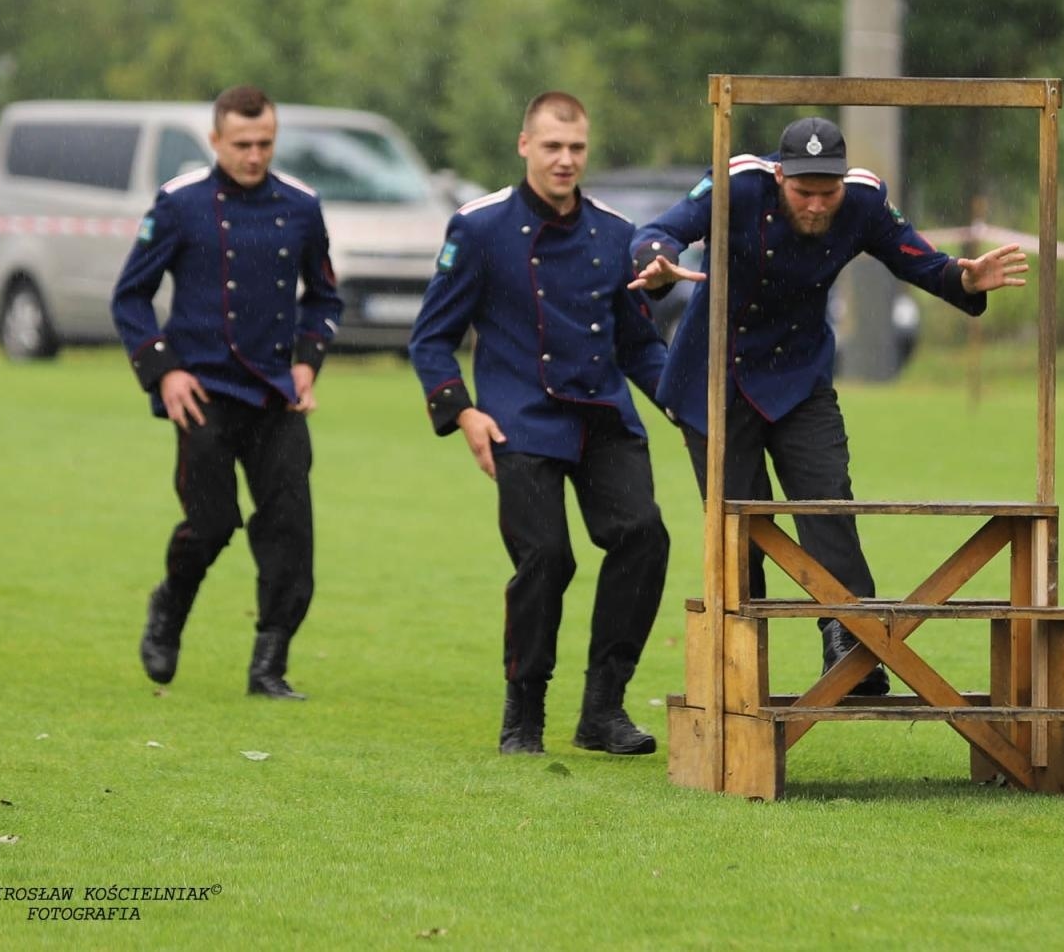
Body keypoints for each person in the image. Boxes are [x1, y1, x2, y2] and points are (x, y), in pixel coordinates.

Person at [628, 116, 1028, 695]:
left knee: (827, 501)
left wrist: (965, 281)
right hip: (714, 379)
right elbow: (660, 231)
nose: (817, 206)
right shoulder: (740, 183)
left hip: (798, 377)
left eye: (827, 193)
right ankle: (737, 669)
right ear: (781, 177)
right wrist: (658, 264)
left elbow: (924, 262)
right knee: (741, 528)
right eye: (803, 192)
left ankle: (849, 640)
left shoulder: (863, 201)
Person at [409, 91, 670, 757]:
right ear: (525, 145)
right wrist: (460, 410)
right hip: (518, 420)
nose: (565, 160)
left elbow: (637, 345)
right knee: (546, 557)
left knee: (643, 536)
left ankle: (603, 711)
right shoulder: (479, 228)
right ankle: (523, 714)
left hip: (603, 416)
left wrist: (687, 405)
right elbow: (431, 339)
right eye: (552, 146)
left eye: (576, 148)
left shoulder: (615, 233)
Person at [111, 84, 343, 701]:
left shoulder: (301, 206)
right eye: (242, 144)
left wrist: (307, 363)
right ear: (216, 141)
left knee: (291, 532)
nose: (254, 154)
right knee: (211, 524)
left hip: (275, 395)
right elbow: (129, 296)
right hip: (203, 393)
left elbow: (324, 297)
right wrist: (165, 370)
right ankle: (170, 605)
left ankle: (268, 666)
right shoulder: (179, 204)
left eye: (265, 142)